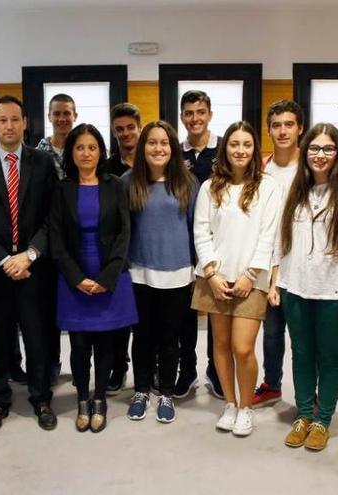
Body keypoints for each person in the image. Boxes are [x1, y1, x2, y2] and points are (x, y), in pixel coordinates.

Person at [270, 123, 338, 451]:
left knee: (329, 356)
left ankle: (323, 419)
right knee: (301, 354)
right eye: (314, 148)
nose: (320, 155)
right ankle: (303, 415)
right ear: (305, 152)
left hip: (335, 292)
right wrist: (275, 281)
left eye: (328, 148)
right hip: (295, 287)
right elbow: (279, 239)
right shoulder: (294, 188)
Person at [0, 96, 59, 434]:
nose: (8, 126)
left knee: (38, 337)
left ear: (24, 123)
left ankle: (40, 397)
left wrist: (30, 254)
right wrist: (4, 259)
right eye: (1, 120)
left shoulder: (43, 163)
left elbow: (52, 216)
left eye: (14, 120)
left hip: (34, 266)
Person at [192, 121, 282, 436]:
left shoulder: (269, 186)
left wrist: (250, 274)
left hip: (251, 280)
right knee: (220, 344)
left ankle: (246, 407)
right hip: (215, 277)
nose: (240, 150)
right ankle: (229, 403)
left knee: (242, 347)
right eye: (234, 144)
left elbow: (269, 235)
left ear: (254, 149)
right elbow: (201, 231)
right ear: (225, 148)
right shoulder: (209, 186)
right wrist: (212, 273)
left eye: (246, 144)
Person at [49, 124, 137, 432]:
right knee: (79, 345)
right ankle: (81, 400)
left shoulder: (115, 185)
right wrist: (77, 278)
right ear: (71, 152)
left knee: (106, 343)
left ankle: (100, 398)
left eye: (92, 147)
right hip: (74, 277)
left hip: (109, 275)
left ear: (101, 151)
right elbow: (56, 240)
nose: (86, 153)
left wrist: (107, 276)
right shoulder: (62, 189)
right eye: (79, 147)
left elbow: (125, 233)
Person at [122, 121, 198, 423]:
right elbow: (123, 230)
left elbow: (196, 230)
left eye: (164, 143)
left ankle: (166, 391)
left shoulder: (187, 182)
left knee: (170, 338)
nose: (158, 148)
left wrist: (197, 269)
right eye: (152, 143)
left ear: (173, 147)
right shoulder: (129, 182)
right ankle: (141, 389)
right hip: (139, 272)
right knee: (142, 337)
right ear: (143, 148)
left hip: (178, 273)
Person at [252, 99, 304, 408]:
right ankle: (272, 384)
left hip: (301, 264)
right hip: (269, 260)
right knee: (271, 332)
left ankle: (305, 391)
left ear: (300, 128)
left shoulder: (310, 165)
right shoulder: (262, 168)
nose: (282, 131)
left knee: (301, 337)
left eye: (288, 124)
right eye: (276, 125)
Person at [179, 90, 221, 399]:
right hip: (183, 247)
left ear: (209, 114)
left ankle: (216, 370)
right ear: (182, 117)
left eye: (201, 112)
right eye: (189, 113)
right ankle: (188, 369)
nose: (195, 118)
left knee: (216, 312)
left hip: (218, 247)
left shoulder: (224, 149)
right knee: (185, 315)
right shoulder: (174, 153)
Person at [103, 102, 142, 394]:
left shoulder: (153, 160)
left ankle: (147, 368)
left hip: (147, 251)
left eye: (130, 127)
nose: (126, 133)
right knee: (117, 321)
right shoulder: (107, 168)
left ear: (139, 128)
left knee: (144, 320)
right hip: (117, 252)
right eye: (120, 129)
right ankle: (118, 367)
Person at [37, 93, 78, 179]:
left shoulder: (82, 150)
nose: (62, 119)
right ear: (49, 117)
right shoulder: (37, 154)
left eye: (66, 113)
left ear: (75, 116)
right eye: (57, 114)